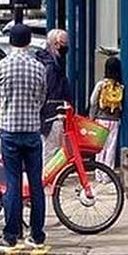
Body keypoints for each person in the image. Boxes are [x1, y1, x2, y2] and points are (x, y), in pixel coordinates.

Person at [0, 23, 47, 251]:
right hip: (32, 131)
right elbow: (42, 97)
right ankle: (37, 234)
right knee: (36, 184)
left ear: (11, 41)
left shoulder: (1, 67)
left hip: (10, 132)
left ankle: (11, 235)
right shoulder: (38, 67)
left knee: (12, 183)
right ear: (29, 42)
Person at [37, 28, 71, 162]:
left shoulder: (51, 63)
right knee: (51, 151)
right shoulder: (51, 67)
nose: (66, 47)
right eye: (64, 43)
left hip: (50, 114)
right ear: (56, 45)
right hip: (51, 115)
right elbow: (49, 91)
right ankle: (46, 181)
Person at [89, 56, 123, 177]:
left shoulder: (101, 84)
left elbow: (93, 102)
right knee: (111, 148)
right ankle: (108, 175)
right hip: (114, 120)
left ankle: (98, 173)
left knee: (100, 148)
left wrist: (91, 118)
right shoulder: (119, 86)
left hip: (100, 120)